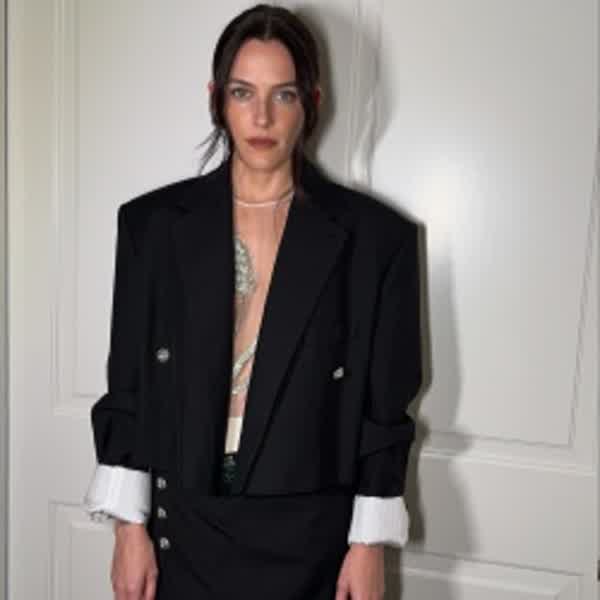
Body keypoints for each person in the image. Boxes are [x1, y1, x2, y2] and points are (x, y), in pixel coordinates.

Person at [83, 4, 422, 599]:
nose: (261, 116)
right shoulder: (152, 226)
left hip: (311, 534)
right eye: (243, 93)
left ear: (311, 101)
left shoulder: (375, 240)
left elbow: (384, 406)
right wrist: (128, 528)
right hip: (184, 524)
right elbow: (131, 385)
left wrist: (368, 545)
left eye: (282, 95)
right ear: (217, 99)